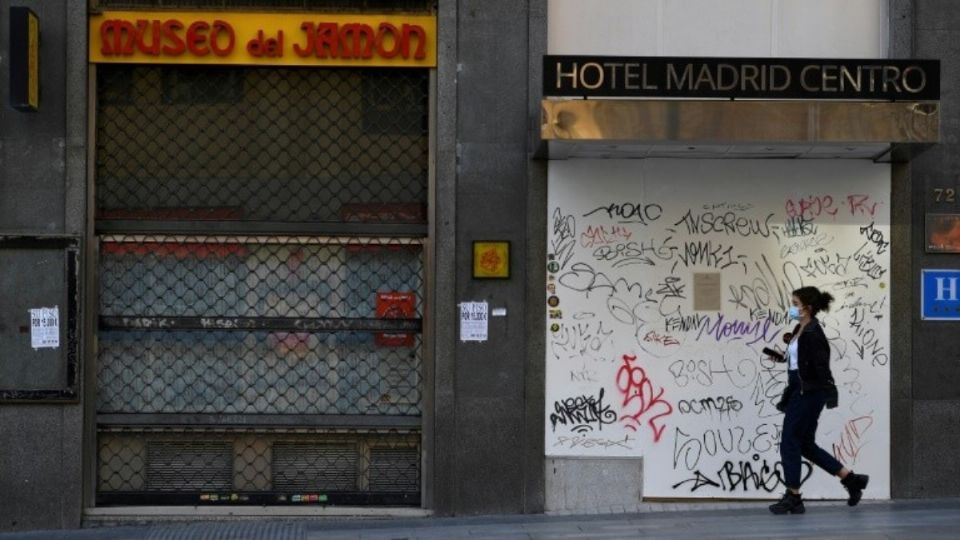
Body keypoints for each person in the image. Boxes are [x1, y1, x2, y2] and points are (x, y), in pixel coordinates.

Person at [766, 286, 869, 515]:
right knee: (804, 444)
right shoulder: (800, 328)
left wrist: (824, 393)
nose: (792, 307)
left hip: (808, 393)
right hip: (798, 389)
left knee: (789, 442)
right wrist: (782, 358)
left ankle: (793, 496)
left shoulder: (813, 333)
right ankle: (851, 480)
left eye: (795, 303)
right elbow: (800, 362)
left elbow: (821, 367)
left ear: (808, 308)